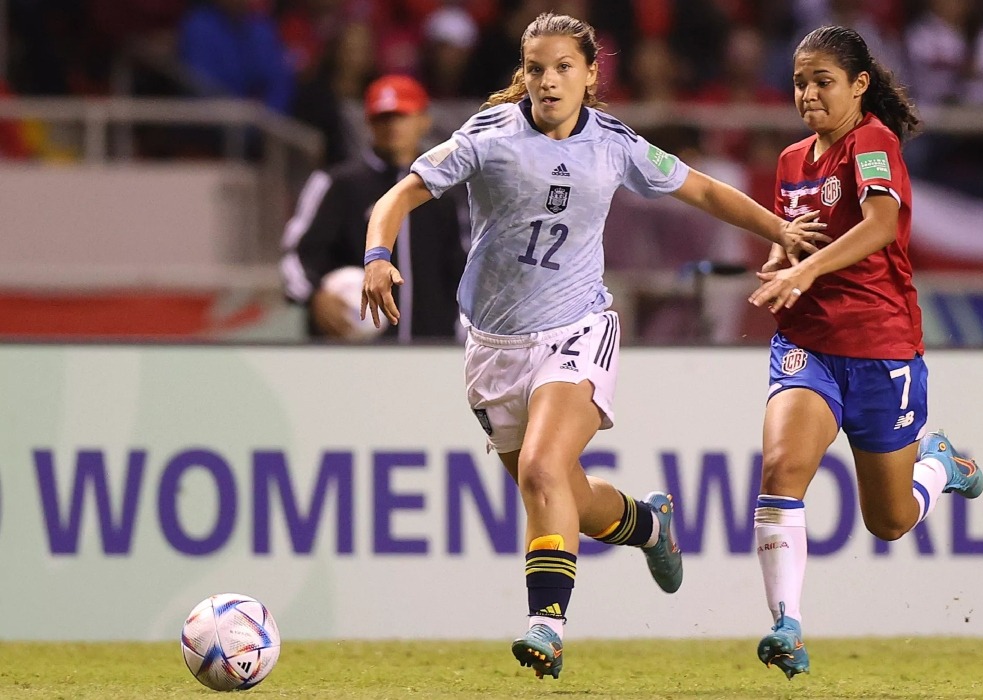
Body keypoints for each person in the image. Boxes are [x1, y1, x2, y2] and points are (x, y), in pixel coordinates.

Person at [360, 12, 822, 680]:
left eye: (563, 68)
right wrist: (377, 255)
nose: (549, 82)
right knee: (564, 493)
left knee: (542, 468)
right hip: (491, 345)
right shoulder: (489, 135)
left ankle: (546, 626)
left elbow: (699, 187)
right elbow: (397, 197)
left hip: (576, 331)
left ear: (590, 74)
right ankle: (648, 525)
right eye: (537, 69)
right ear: (524, 74)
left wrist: (778, 229)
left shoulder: (613, 143)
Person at [746, 25, 983, 679]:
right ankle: (787, 625)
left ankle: (940, 465)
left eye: (822, 81)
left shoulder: (873, 142)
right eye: (800, 82)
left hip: (882, 347)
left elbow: (880, 225)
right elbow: (790, 238)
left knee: (890, 520)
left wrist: (806, 269)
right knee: (781, 468)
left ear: (858, 85)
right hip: (808, 344)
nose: (808, 94)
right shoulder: (791, 160)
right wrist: (781, 259)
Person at [281, 74, 465, 342]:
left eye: (401, 115)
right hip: (350, 351)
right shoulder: (336, 184)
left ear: (424, 120)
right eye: (382, 117)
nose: (392, 126)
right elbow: (296, 255)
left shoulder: (445, 193)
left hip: (430, 349)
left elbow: (464, 270)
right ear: (368, 122)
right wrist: (313, 296)